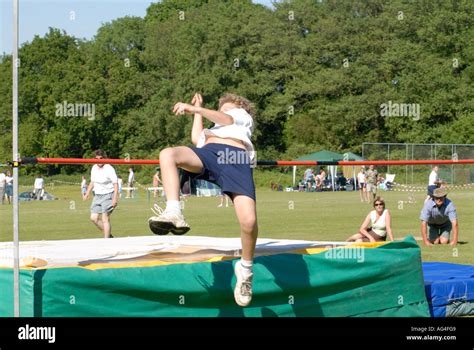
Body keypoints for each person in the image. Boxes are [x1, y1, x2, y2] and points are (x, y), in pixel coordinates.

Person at [148, 92, 258, 307]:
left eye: (226, 108)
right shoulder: (213, 128)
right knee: (168, 154)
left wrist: (196, 110)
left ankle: (245, 270)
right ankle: (174, 211)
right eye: (220, 109)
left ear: (239, 107)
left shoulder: (242, 117)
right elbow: (196, 139)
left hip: (234, 158)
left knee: (249, 222)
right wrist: (198, 108)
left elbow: (226, 119)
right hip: (208, 153)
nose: (222, 111)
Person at [83, 150, 119, 239]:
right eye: (96, 158)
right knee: (93, 218)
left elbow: (115, 184)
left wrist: (115, 198)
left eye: (101, 158)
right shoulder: (94, 167)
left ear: (104, 158)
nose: (99, 160)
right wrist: (87, 193)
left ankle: (106, 240)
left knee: (105, 218)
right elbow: (92, 181)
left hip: (108, 195)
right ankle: (109, 235)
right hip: (98, 195)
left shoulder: (109, 168)